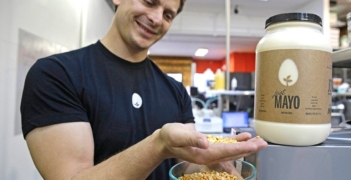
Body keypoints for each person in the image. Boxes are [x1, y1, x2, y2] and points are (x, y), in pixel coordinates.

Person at [20, 0, 268, 179]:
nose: (157, 18)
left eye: (169, 15)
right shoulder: (57, 75)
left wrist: (212, 163)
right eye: (150, 2)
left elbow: (185, 165)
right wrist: (158, 145)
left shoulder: (174, 90)